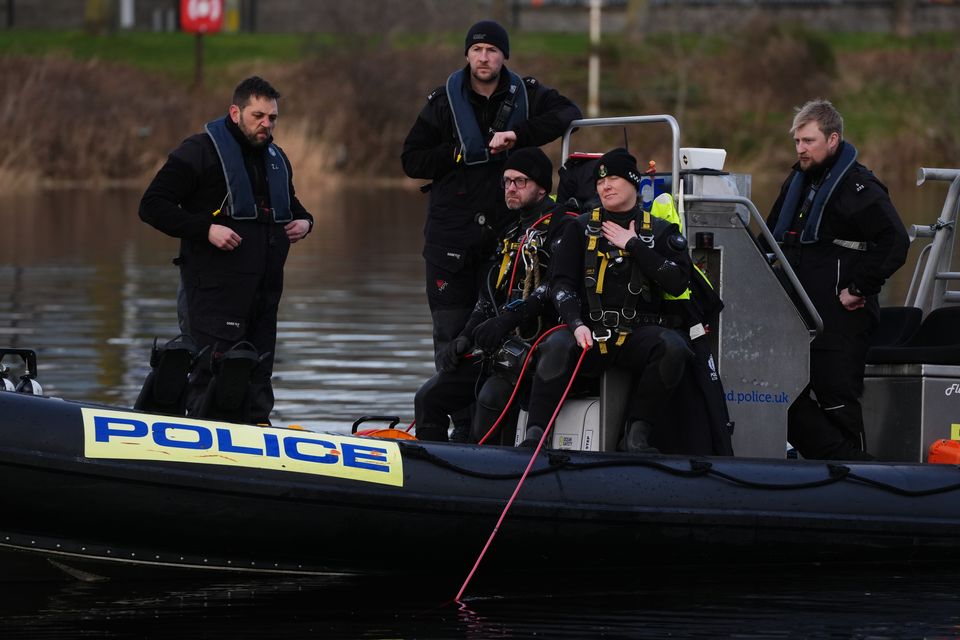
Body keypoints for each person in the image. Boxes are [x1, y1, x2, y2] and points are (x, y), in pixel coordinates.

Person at [401, 19, 581, 371]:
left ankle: (492, 419)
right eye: (477, 50)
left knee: (500, 336)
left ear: (504, 56)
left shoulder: (527, 94)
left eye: (492, 50)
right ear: (467, 55)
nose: (484, 57)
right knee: (450, 338)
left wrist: (519, 134)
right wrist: (457, 153)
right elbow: (411, 159)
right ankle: (457, 422)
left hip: (505, 237)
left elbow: (569, 113)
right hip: (449, 239)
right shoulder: (441, 104)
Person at [139, 76, 314, 424]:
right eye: (258, 116)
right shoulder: (199, 151)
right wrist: (205, 229)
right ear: (235, 112)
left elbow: (293, 206)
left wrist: (307, 222)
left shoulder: (276, 159)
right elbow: (152, 205)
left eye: (273, 117)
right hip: (212, 292)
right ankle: (200, 444)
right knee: (210, 374)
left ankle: (260, 434)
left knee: (258, 374)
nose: (267, 124)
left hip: (263, 294)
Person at [766, 99, 909, 461]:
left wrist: (859, 287)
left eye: (808, 141)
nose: (801, 149)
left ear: (833, 140)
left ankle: (856, 471)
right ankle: (835, 465)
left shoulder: (859, 187)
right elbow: (769, 238)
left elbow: (894, 241)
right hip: (797, 317)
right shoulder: (796, 183)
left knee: (836, 398)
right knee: (781, 395)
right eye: (797, 141)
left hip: (841, 316)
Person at [525, 148, 694, 452]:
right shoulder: (579, 229)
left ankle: (635, 436)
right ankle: (535, 436)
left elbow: (679, 279)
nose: (605, 186)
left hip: (637, 334)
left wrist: (633, 245)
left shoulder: (659, 230)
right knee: (554, 345)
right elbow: (560, 285)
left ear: (633, 182)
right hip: (588, 332)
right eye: (601, 181)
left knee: (673, 347)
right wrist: (575, 323)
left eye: (613, 178)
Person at [414, 147, 565, 443]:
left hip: (536, 350)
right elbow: (488, 297)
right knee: (428, 397)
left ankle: (484, 467)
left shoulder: (563, 227)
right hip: (500, 349)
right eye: (507, 181)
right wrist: (464, 337)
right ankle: (432, 467)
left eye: (520, 182)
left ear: (542, 187)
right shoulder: (510, 232)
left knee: (489, 397)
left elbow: (556, 287)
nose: (511, 188)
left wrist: (507, 321)